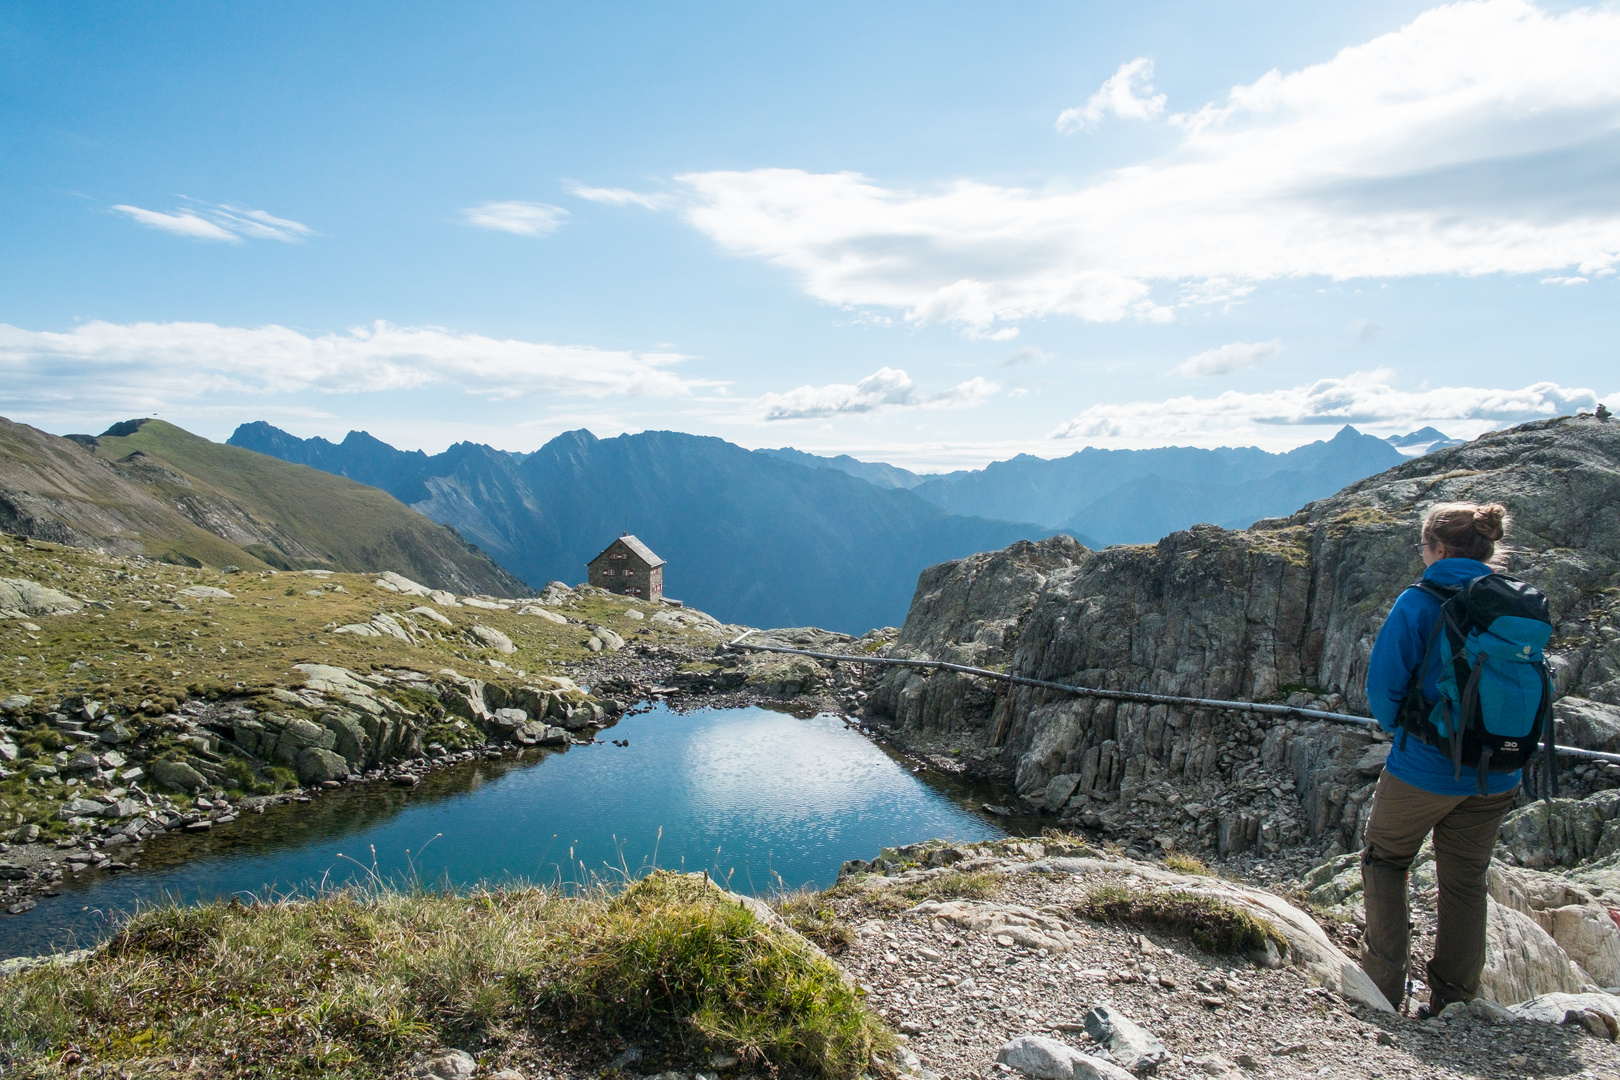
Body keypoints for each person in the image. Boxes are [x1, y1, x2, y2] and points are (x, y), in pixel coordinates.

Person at [1360, 501, 1518, 1014]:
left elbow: (1383, 687)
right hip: (1497, 772)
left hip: (1426, 767)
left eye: (1422, 544)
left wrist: (1404, 728)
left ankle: (1382, 988)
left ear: (1437, 548)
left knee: (1385, 859)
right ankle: (1454, 1001)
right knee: (1465, 881)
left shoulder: (1420, 600)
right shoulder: (1514, 604)